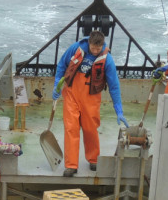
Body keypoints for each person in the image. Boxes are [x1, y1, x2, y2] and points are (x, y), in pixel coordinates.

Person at [53, 30, 128, 177]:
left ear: (102, 46)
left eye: (98, 49)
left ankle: (93, 159)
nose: (95, 51)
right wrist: (57, 84)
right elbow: (62, 65)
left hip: (91, 97)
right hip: (72, 93)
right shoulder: (75, 49)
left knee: (90, 128)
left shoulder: (108, 59)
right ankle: (71, 165)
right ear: (89, 43)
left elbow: (114, 85)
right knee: (71, 128)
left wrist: (118, 109)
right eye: (93, 48)